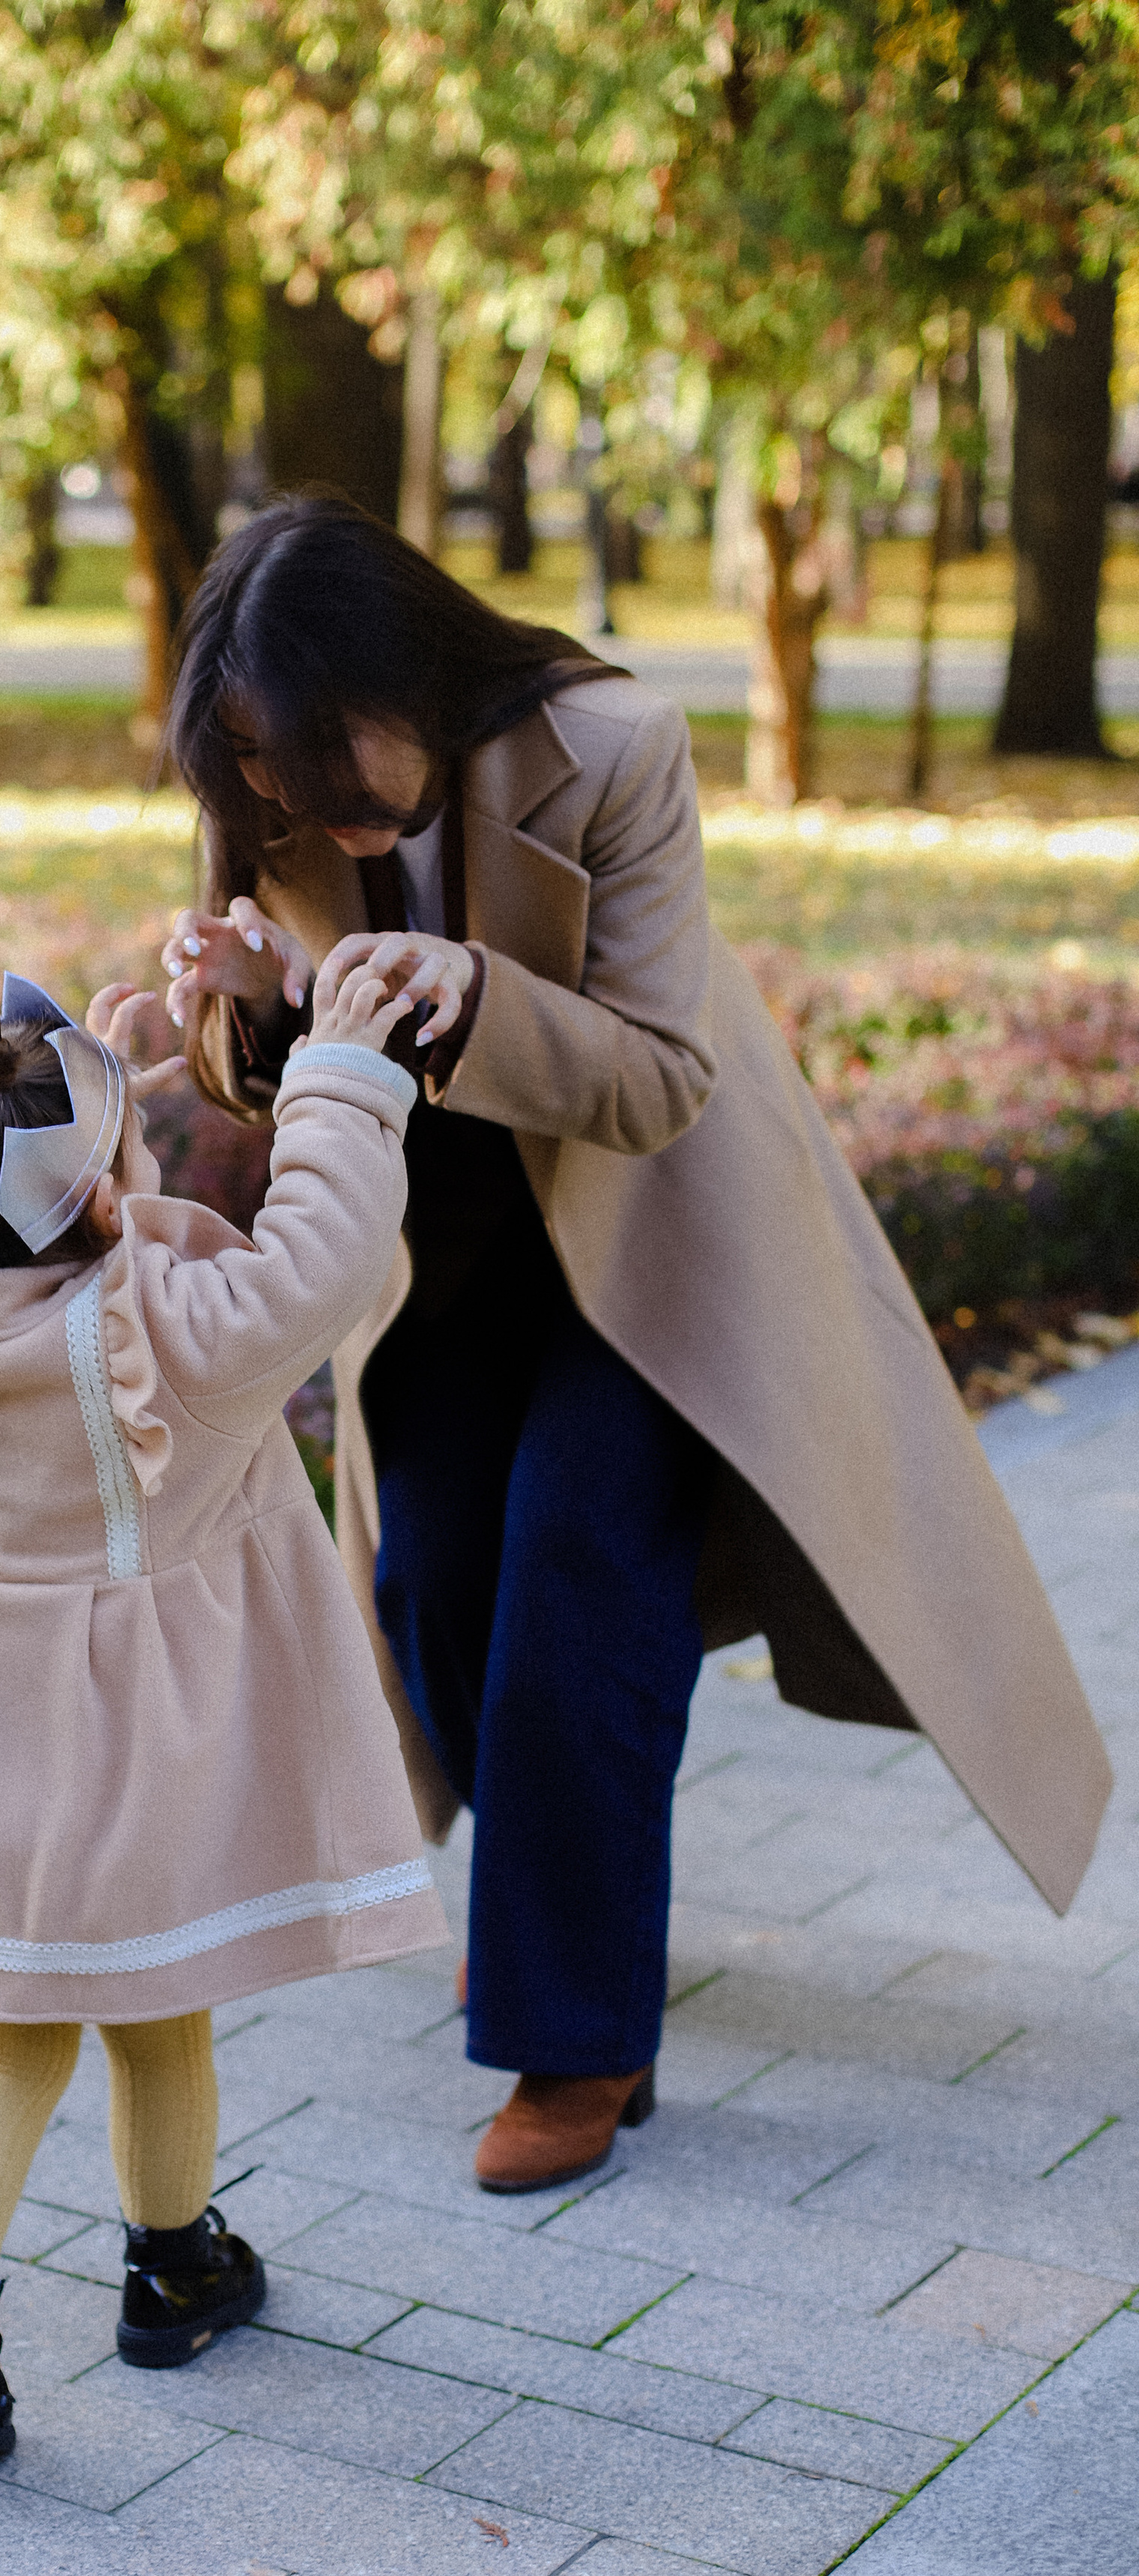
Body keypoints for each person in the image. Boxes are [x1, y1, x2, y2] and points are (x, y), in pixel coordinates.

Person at [163, 493, 1110, 2198]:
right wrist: (246, 1003)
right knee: (431, 1584)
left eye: (306, 750)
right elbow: (272, 1072)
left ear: (404, 673)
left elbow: (663, 1078)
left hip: (652, 1249)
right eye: (251, 762)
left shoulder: (608, 748)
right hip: (439, 1251)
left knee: (575, 1586)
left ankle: (575, 2040)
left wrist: (467, 991)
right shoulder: (266, 778)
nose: (282, 795)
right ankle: (562, 1895)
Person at [0, 958, 444, 2458]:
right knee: (160, 2007)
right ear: (106, 1196)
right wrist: (342, 1077)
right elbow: (325, 1256)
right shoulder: (175, 1342)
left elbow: (22, 1183)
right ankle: (170, 2267)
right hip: (128, 1731)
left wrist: (102, 1079)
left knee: (8, 2041)